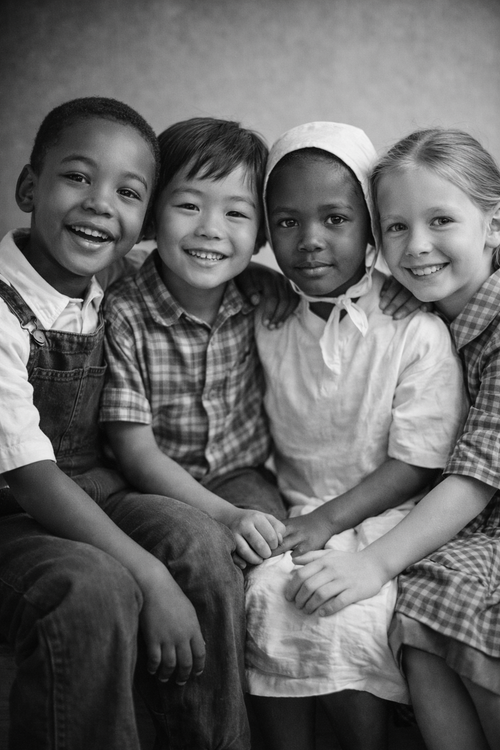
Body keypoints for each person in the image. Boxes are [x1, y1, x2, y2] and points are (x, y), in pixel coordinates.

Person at [0, 97, 253, 750]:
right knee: (93, 589)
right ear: (30, 187)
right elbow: (30, 479)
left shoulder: (111, 282)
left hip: (94, 485)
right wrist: (150, 575)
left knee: (199, 541)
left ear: (141, 220)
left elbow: (206, 257)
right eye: (77, 177)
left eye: (128, 192)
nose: (100, 204)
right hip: (15, 504)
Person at [243, 122, 466, 750]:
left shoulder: (410, 326)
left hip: (388, 517)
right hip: (299, 511)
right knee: (266, 597)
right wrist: (311, 524)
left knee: (352, 616)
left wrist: (329, 524)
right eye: (286, 222)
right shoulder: (266, 315)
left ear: (370, 226)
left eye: (337, 218)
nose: (310, 241)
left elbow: (420, 462)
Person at [308, 127, 500, 750]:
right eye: (395, 228)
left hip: (486, 505)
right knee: (422, 602)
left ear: (493, 225)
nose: (416, 247)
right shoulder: (425, 315)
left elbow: (478, 472)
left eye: (441, 219)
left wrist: (373, 563)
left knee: (431, 595)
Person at [100, 117, 288, 569]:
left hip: (242, 473)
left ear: (260, 233)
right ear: (150, 215)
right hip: (151, 483)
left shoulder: (259, 295)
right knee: (204, 554)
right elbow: (135, 451)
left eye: (237, 213)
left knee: (270, 551)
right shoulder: (124, 313)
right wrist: (225, 514)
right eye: (188, 205)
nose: (210, 228)